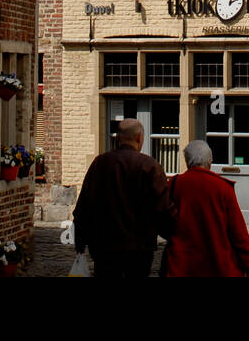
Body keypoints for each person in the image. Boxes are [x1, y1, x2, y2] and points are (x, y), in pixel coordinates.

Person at [72, 118, 173, 277]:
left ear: (118, 138)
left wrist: (80, 240)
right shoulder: (150, 166)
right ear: (139, 138)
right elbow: (162, 208)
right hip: (139, 248)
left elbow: (84, 205)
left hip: (105, 246)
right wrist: (173, 235)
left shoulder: (100, 163)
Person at [160, 140, 249, 277]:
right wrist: (248, 262)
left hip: (182, 263)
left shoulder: (174, 185)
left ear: (187, 162)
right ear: (210, 162)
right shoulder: (223, 188)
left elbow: (163, 221)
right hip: (217, 263)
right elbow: (238, 231)